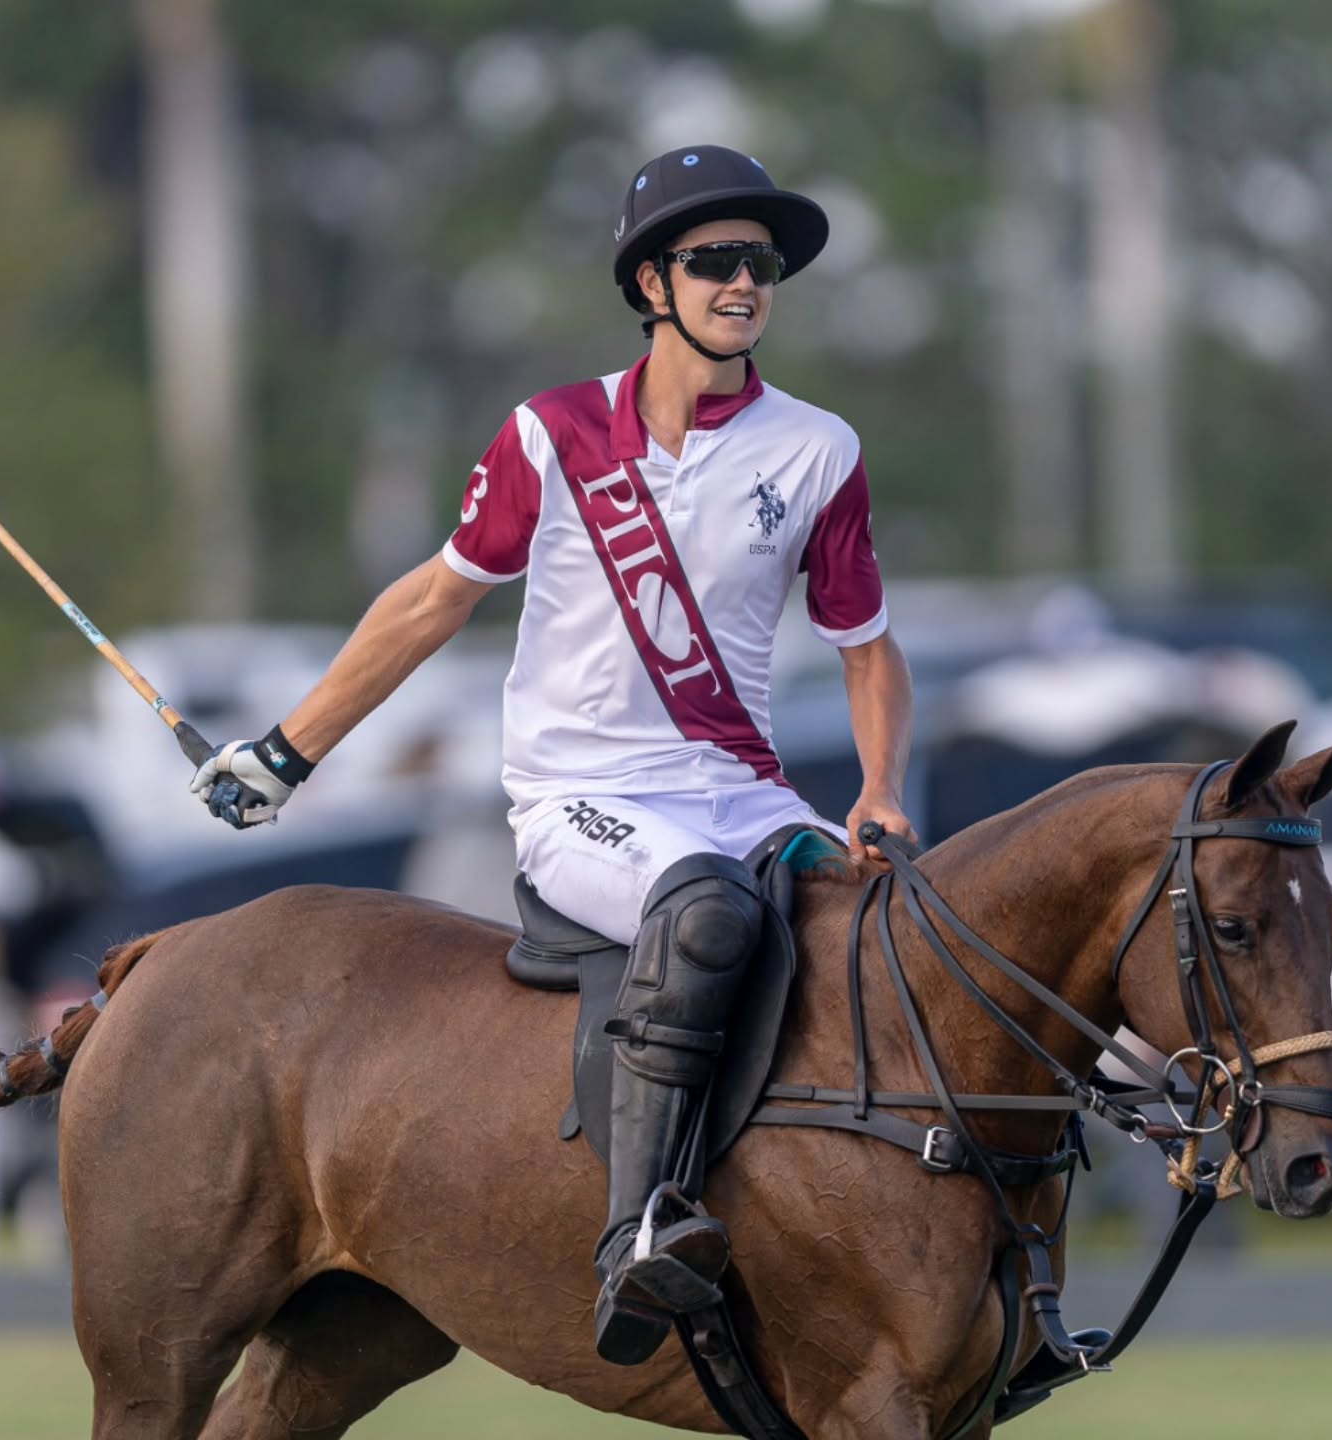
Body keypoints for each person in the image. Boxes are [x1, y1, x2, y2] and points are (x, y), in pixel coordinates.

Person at [191, 144, 916, 1365]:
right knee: (705, 913)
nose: (747, 283)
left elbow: (868, 651)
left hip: (742, 794)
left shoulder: (818, 450)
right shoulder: (553, 433)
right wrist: (286, 751)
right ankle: (639, 1235)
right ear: (650, 284)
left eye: (765, 263)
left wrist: (884, 791)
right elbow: (435, 599)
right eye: (717, 261)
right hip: (583, 797)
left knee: (893, 932)